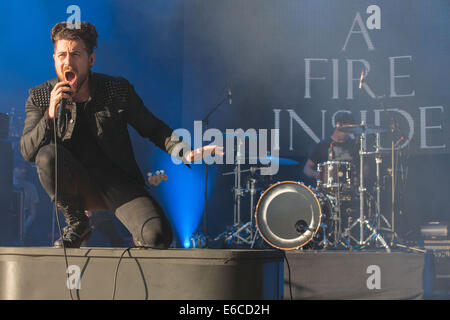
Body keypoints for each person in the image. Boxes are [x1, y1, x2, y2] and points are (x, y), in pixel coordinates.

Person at [20, 22, 223, 249]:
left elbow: (152, 127)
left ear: (91, 60)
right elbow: (28, 152)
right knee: (47, 155)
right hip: (77, 187)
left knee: (157, 237)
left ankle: (137, 231)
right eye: (62, 55)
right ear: (54, 59)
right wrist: (50, 114)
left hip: (116, 182)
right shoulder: (40, 96)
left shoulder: (115, 90)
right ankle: (77, 220)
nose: (68, 61)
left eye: (76, 54)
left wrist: (185, 152)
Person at [303, 113, 359, 181]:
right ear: (338, 125)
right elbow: (307, 169)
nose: (348, 133)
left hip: (350, 187)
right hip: (327, 188)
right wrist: (319, 175)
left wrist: (358, 177)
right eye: (346, 130)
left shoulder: (353, 145)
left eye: (350, 131)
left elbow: (365, 168)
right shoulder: (323, 145)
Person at [13, 162, 40, 244]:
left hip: (25, 220)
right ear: (13, 169)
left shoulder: (31, 188)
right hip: (10, 221)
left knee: (37, 238)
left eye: (25, 169)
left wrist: (23, 228)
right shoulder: (5, 186)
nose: (23, 171)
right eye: (20, 168)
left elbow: (33, 213)